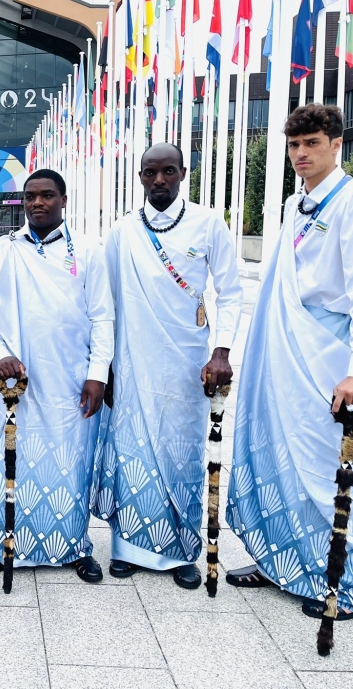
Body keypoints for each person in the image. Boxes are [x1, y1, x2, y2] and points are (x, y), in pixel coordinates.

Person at [225, 104, 353, 618]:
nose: (300, 154)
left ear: (336, 144)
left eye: (311, 144)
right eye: (294, 145)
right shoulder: (296, 205)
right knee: (284, 457)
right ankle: (284, 561)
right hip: (288, 356)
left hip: (330, 354)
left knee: (332, 468)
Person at [95, 143, 243, 589]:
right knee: (134, 449)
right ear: (140, 177)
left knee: (182, 452)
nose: (159, 180)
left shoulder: (208, 222)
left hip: (186, 361)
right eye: (150, 173)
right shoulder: (121, 231)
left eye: (168, 172)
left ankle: (180, 551)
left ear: (183, 173)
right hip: (134, 358)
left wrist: (221, 351)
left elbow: (231, 293)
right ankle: (127, 547)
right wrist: (109, 368)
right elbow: (107, 303)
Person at [0, 168, 114, 581]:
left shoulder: (88, 251)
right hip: (14, 382)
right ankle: (4, 542)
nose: (37, 203)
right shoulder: (5, 248)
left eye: (47, 195)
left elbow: (102, 316)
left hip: (70, 379)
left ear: (64, 200)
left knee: (70, 462)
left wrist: (97, 374)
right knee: (11, 458)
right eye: (30, 196)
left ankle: (72, 545)